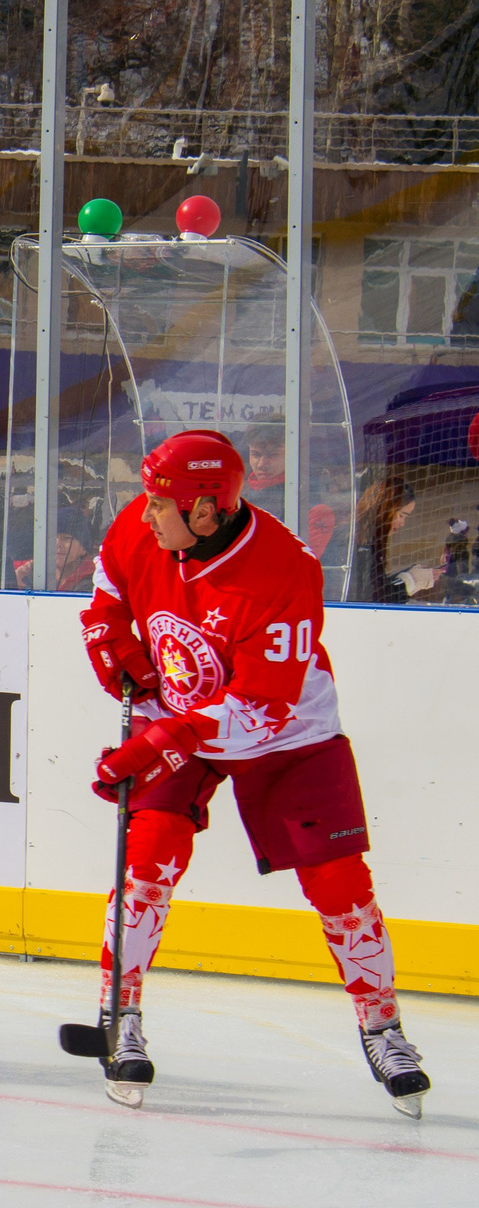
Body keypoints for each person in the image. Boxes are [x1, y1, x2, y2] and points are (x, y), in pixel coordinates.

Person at [77, 429, 429, 1115]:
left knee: (339, 881)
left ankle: (382, 1026)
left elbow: (263, 708)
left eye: (161, 505)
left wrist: (165, 740)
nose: (146, 515)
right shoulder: (144, 524)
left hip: (289, 730)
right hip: (178, 711)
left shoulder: (283, 570)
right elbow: (107, 592)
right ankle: (120, 1012)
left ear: (207, 509)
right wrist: (113, 646)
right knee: (147, 858)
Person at [347, 473, 417, 604]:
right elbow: (373, 599)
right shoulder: (363, 548)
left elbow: (377, 585)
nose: (402, 524)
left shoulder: (363, 541)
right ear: (386, 509)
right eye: (402, 515)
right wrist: (411, 581)